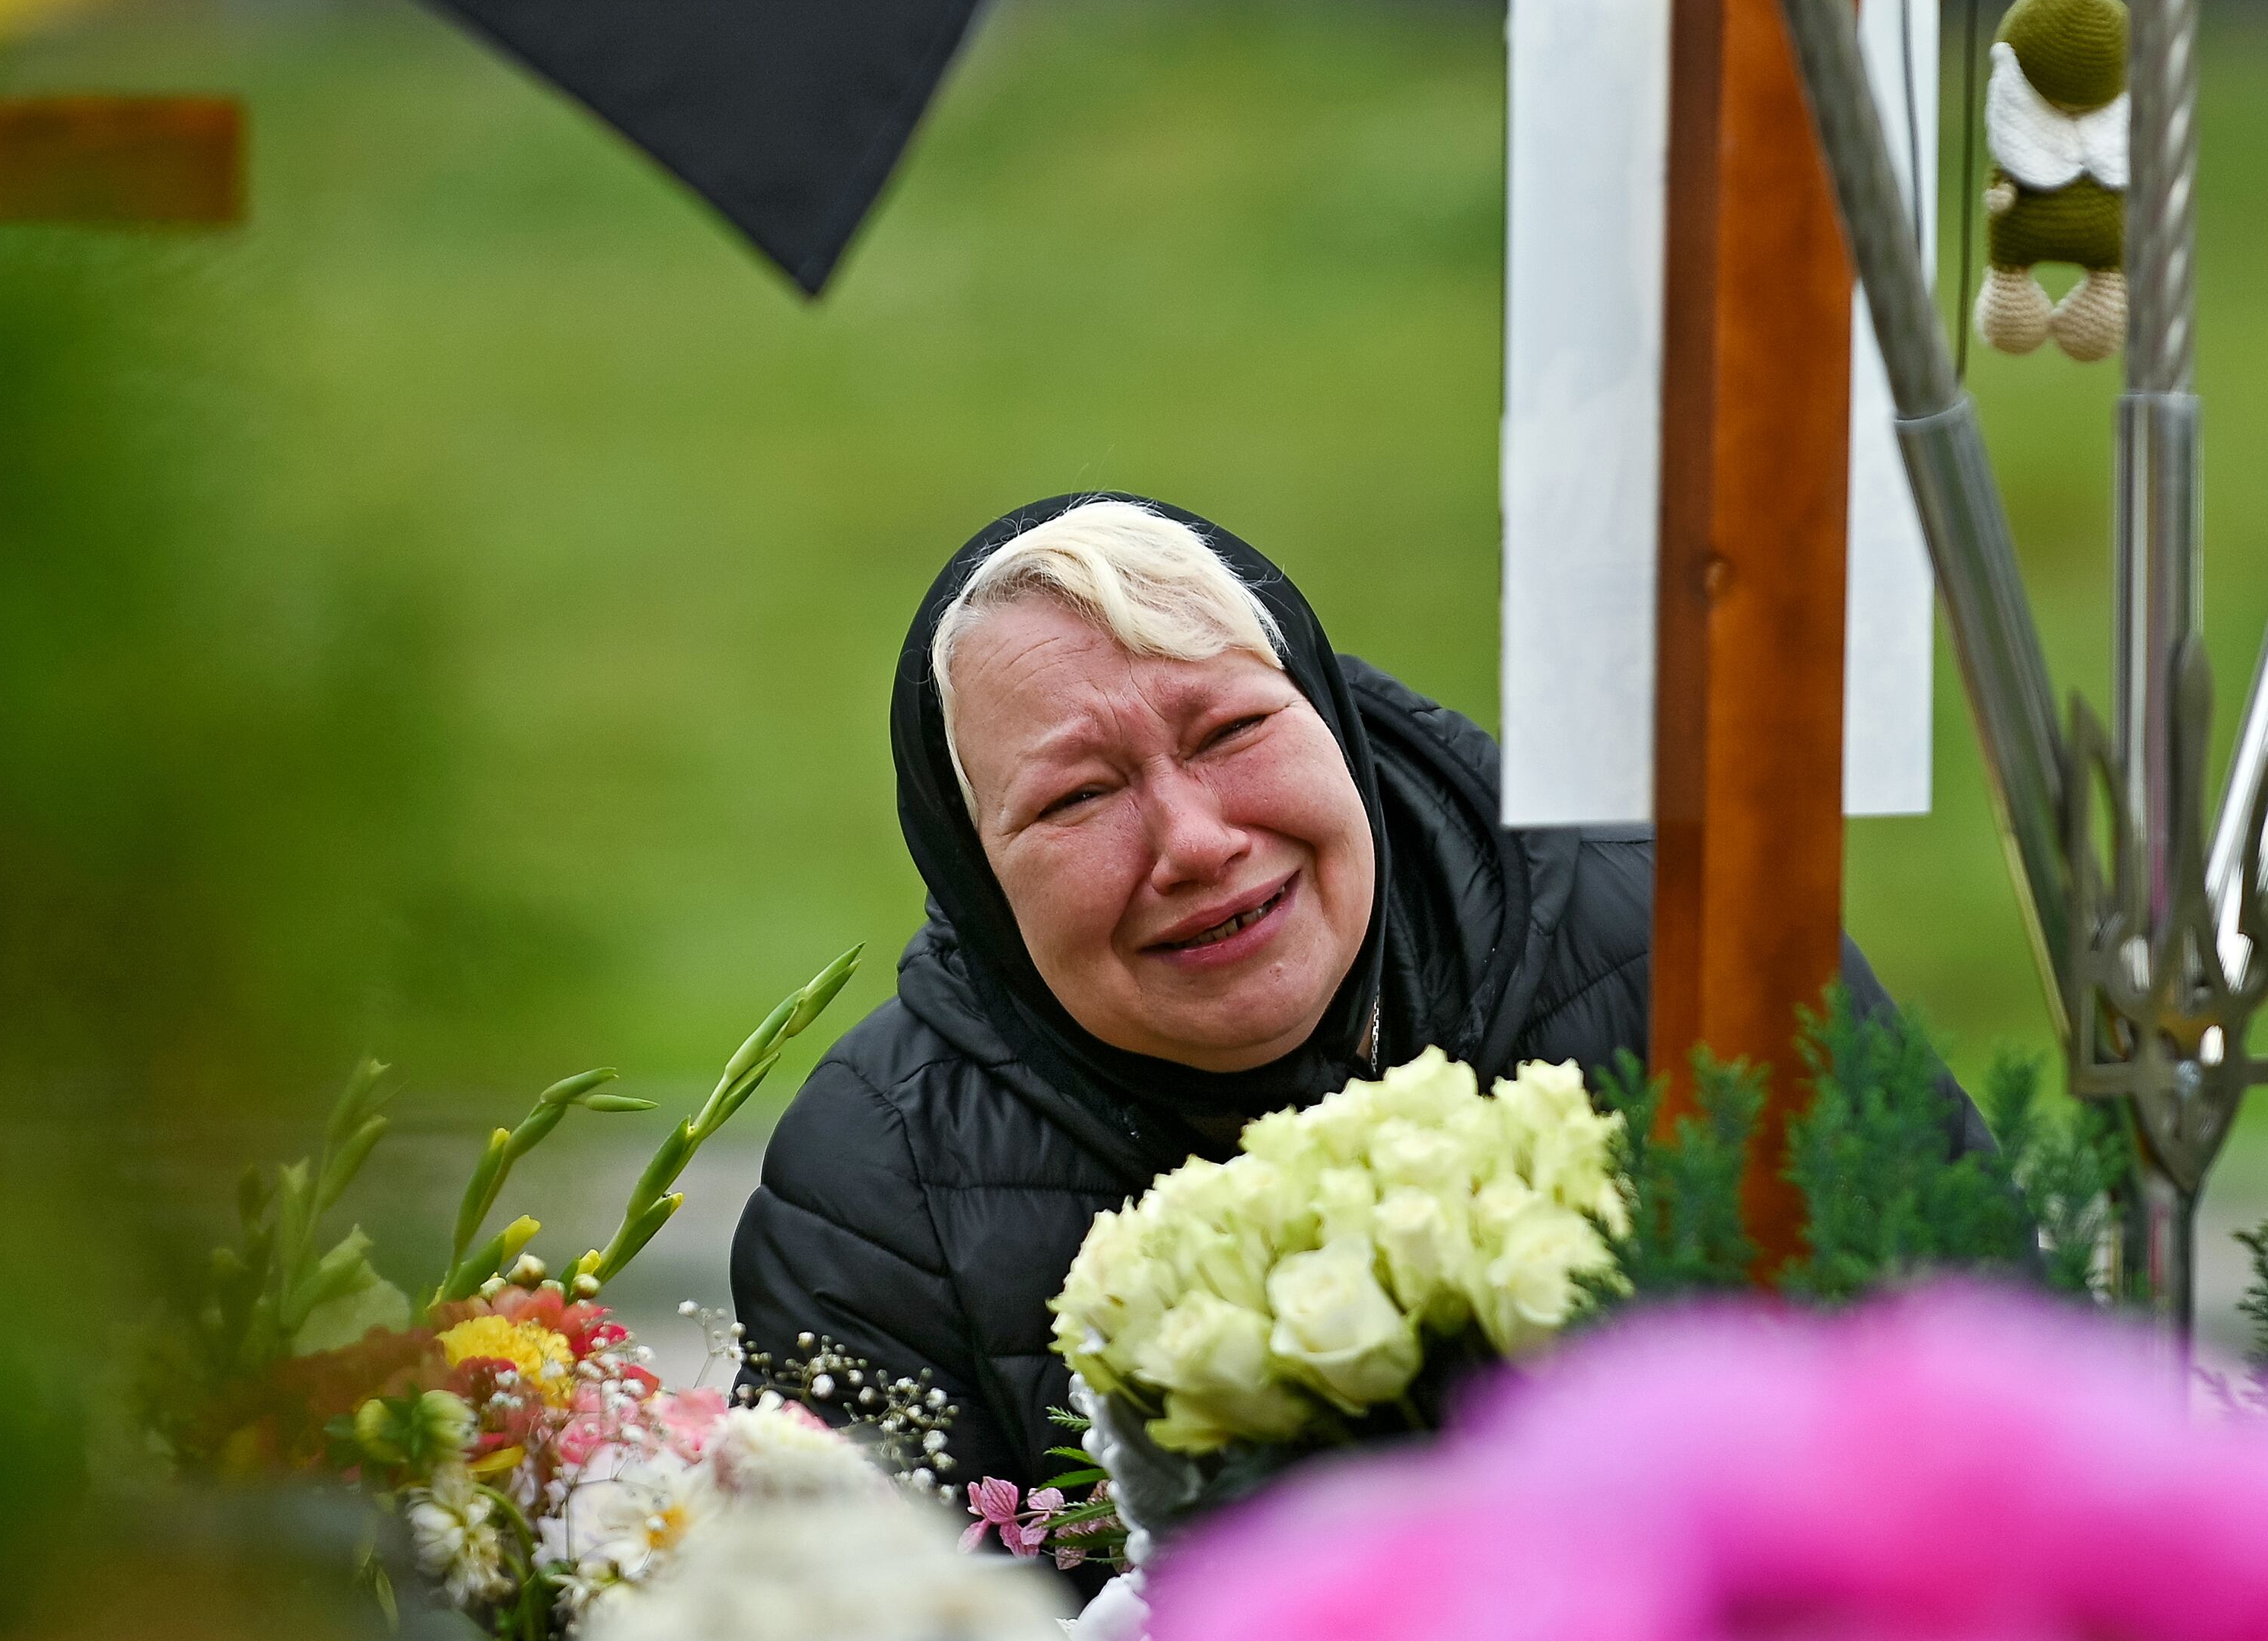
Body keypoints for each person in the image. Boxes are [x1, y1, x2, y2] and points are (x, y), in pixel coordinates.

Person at [728, 492, 1945, 1498]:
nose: (1195, 841)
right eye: (1076, 798)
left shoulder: (1694, 955)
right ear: (977, 875)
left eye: (1228, 731)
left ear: (1328, 715)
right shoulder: (875, 1188)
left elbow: (1977, 1408)